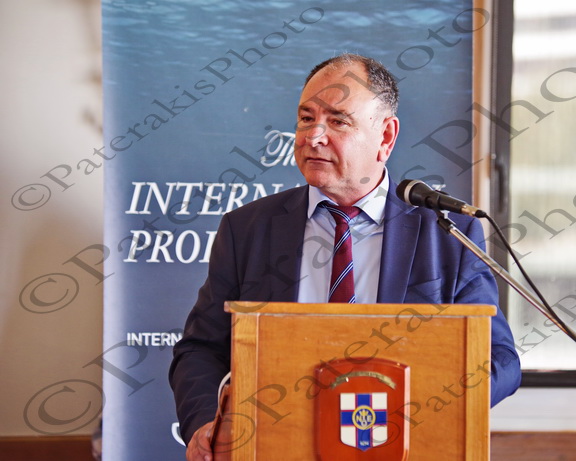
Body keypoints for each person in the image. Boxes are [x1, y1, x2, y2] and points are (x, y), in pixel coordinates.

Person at [169, 53, 521, 461]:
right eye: (306, 118)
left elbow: (499, 360)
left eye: (338, 121)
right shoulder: (248, 228)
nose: (313, 136)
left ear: (385, 137)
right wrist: (206, 423)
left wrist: (425, 410)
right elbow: (201, 349)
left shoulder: (447, 234)